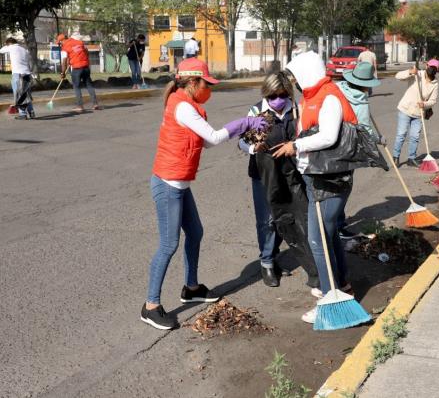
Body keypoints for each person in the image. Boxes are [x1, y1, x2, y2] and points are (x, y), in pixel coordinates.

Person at [141, 57, 267, 330]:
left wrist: (240, 127)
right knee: (168, 244)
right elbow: (216, 138)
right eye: (205, 84)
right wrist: (244, 123)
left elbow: (205, 142)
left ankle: (192, 287)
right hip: (168, 185)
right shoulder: (183, 107)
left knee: (195, 233)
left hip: (180, 183)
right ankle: (150, 306)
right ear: (193, 82)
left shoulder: (185, 104)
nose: (209, 89)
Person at [272, 51, 359, 324]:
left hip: (330, 180)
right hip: (318, 177)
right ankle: (341, 285)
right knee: (329, 234)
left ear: (306, 74)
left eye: (296, 77)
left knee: (317, 239)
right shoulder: (312, 96)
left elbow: (329, 136)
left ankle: (329, 297)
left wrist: (295, 146)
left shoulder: (329, 96)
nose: (294, 83)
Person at [238, 72, 320, 290]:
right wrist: (254, 147)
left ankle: (274, 257)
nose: (278, 99)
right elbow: (242, 143)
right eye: (273, 95)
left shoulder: (295, 109)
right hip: (264, 174)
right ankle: (266, 262)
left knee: (289, 217)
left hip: (292, 173)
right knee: (267, 220)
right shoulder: (258, 112)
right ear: (267, 93)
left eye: (283, 94)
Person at [334, 61, 382, 239]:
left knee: (333, 184)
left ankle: (335, 220)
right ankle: (337, 226)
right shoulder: (361, 103)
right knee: (343, 186)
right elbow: (365, 131)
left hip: (329, 142)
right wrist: (379, 140)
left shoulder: (338, 88)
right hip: (347, 148)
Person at [391, 59, 439, 168]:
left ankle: (411, 158)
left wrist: (425, 104)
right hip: (406, 109)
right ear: (426, 66)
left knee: (415, 136)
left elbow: (433, 100)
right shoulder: (417, 74)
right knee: (401, 134)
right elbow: (398, 76)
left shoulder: (435, 84)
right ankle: (395, 157)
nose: (431, 69)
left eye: (434, 68)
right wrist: (410, 72)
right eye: (431, 67)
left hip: (419, 113)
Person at [58, 33, 101, 113]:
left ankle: (80, 106)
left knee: (76, 86)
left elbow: (63, 62)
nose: (60, 44)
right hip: (85, 67)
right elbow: (86, 51)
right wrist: (83, 60)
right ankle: (95, 104)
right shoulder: (79, 42)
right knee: (89, 85)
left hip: (77, 68)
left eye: (60, 43)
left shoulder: (65, 47)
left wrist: (63, 73)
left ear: (62, 41)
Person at [0, 38, 35, 119]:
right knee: (26, 94)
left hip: (18, 74)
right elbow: (29, 62)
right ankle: (31, 112)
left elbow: (1, 50)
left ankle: (23, 114)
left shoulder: (11, 47)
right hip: (27, 74)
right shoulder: (24, 49)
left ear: (9, 43)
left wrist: (7, 46)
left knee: (19, 95)